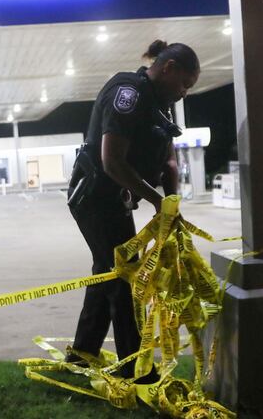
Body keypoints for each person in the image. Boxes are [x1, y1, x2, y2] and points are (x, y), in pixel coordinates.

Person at [65, 40, 200, 381]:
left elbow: (169, 160)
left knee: (108, 272)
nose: (184, 92)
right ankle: (136, 370)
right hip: (94, 198)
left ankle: (82, 354)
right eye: (184, 83)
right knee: (125, 279)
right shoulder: (129, 94)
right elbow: (111, 161)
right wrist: (155, 200)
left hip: (116, 200)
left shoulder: (161, 104)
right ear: (168, 68)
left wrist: (171, 203)